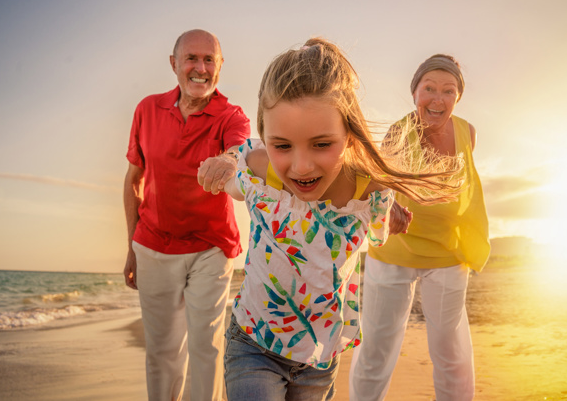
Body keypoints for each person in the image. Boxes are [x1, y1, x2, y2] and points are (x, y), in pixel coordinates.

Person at [197, 39, 463, 401]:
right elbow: (239, 157)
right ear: (266, 135)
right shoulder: (263, 172)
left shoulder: (366, 190)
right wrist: (223, 160)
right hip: (254, 345)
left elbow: (381, 227)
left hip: (319, 359)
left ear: (349, 136)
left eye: (322, 144)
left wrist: (393, 216)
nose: (301, 166)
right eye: (283, 145)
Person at [349, 54, 490, 401]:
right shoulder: (399, 131)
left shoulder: (467, 133)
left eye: (448, 90)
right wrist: (391, 205)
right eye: (429, 88)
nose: (437, 99)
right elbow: (380, 183)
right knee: (377, 348)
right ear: (415, 93)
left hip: (447, 252)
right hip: (396, 250)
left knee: (451, 351)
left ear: (458, 97)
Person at [123, 29, 250, 401]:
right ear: (174, 64)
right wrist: (131, 247)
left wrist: (228, 160)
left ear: (220, 67)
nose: (200, 68)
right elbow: (134, 181)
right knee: (161, 352)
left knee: (205, 346)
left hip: (211, 247)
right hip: (153, 245)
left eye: (209, 60)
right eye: (191, 58)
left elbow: (240, 152)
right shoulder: (147, 109)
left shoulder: (230, 115)